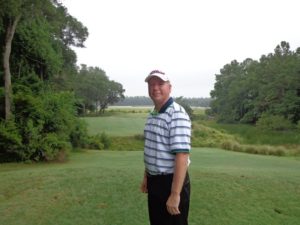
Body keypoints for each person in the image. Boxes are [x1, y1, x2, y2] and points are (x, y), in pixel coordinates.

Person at [140, 70, 191, 225]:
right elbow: (152, 149)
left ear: (169, 87)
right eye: (151, 84)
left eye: (160, 84)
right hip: (154, 182)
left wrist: (175, 194)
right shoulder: (153, 115)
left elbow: (182, 156)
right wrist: (146, 177)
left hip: (171, 183)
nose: (155, 88)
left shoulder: (177, 114)